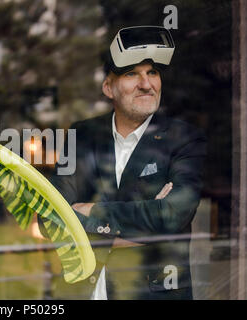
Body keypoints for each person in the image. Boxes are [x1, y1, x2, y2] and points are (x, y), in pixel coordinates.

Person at [40, 26, 207, 299]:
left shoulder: (183, 139)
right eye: (131, 73)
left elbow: (172, 215)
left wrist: (90, 212)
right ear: (108, 87)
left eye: (152, 72)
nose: (146, 83)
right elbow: (50, 217)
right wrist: (144, 222)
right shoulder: (81, 136)